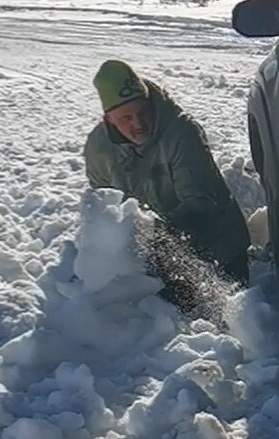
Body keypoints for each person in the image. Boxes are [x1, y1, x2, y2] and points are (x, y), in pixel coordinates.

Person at [85, 59, 251, 285]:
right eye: (126, 118)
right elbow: (104, 211)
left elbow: (200, 206)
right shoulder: (99, 149)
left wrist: (151, 238)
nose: (139, 124)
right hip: (152, 260)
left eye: (142, 112)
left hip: (217, 252)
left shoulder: (182, 133)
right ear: (109, 120)